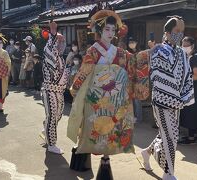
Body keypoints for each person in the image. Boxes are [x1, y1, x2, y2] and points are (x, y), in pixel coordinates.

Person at [67, 8, 149, 179]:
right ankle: (85, 155)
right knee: (91, 127)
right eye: (107, 29)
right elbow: (84, 72)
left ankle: (105, 161)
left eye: (113, 30)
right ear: (99, 30)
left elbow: (132, 63)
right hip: (95, 98)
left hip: (115, 98)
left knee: (111, 129)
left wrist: (146, 55)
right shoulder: (93, 51)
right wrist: (76, 88)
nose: (110, 33)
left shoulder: (119, 52)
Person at [140, 16, 194, 180]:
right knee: (171, 136)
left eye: (182, 32)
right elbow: (157, 75)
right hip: (162, 100)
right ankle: (168, 172)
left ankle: (146, 152)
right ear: (167, 32)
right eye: (177, 31)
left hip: (176, 101)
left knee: (168, 133)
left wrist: (184, 96)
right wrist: (172, 92)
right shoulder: (158, 50)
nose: (179, 34)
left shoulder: (181, 53)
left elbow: (187, 75)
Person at [40, 21, 70, 154]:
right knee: (52, 117)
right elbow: (50, 48)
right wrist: (53, 34)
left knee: (58, 115)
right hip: (50, 90)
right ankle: (52, 144)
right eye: (59, 41)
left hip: (59, 92)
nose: (61, 44)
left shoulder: (62, 59)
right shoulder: (49, 55)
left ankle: (45, 128)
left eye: (63, 42)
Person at [178, 36, 197, 145]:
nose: (184, 47)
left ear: (192, 46)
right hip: (192, 91)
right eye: (183, 45)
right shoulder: (188, 57)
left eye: (186, 45)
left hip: (196, 92)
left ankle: (191, 138)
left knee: (192, 113)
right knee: (191, 113)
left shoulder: (195, 58)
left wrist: (182, 78)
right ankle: (192, 135)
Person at [128, 37, 143, 123]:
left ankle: (139, 117)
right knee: (132, 98)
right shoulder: (128, 52)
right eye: (130, 42)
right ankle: (134, 116)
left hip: (138, 78)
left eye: (133, 42)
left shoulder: (140, 53)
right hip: (130, 78)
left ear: (136, 43)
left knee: (137, 98)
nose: (131, 43)